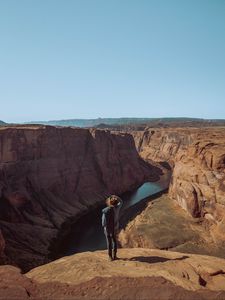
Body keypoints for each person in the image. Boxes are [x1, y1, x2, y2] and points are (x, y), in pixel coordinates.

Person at [102, 195, 123, 261]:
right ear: (116, 203)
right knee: (114, 241)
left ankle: (110, 257)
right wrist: (115, 196)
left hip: (107, 229)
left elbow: (103, 223)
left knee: (109, 242)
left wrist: (106, 227)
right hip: (115, 228)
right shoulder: (117, 208)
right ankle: (115, 256)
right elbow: (121, 201)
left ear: (109, 203)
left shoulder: (106, 211)